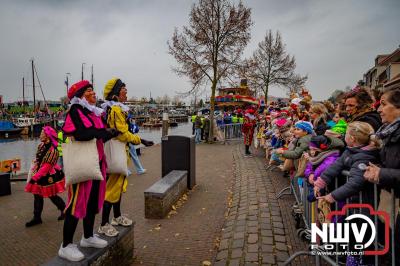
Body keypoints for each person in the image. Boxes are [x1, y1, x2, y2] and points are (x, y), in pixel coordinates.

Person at [59, 80, 118, 261]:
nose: (94, 93)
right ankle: (66, 245)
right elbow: (81, 134)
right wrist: (105, 132)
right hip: (82, 165)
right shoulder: (75, 111)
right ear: (81, 95)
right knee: (76, 204)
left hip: (97, 163)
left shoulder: (92, 112)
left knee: (92, 202)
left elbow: (98, 137)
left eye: (93, 90)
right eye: (90, 90)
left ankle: (87, 236)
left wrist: (109, 134)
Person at [99, 78, 144, 237]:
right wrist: (141, 140)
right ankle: (104, 224)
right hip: (116, 154)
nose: (126, 92)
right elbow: (122, 133)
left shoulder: (114, 109)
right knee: (111, 189)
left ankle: (117, 216)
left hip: (117, 153)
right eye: (124, 89)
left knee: (117, 186)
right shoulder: (116, 110)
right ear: (116, 93)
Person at [364, 88, 400, 265]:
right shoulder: (388, 132)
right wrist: (377, 169)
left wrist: (382, 173)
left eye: (384, 104)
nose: (378, 109)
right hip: (392, 202)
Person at [25, 126, 66, 227]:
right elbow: (39, 160)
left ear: (47, 136)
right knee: (37, 195)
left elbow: (47, 167)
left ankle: (64, 210)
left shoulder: (53, 150)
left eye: (42, 133)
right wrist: (34, 167)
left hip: (48, 176)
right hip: (39, 173)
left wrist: (34, 178)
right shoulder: (41, 146)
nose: (40, 135)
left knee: (52, 195)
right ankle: (37, 217)